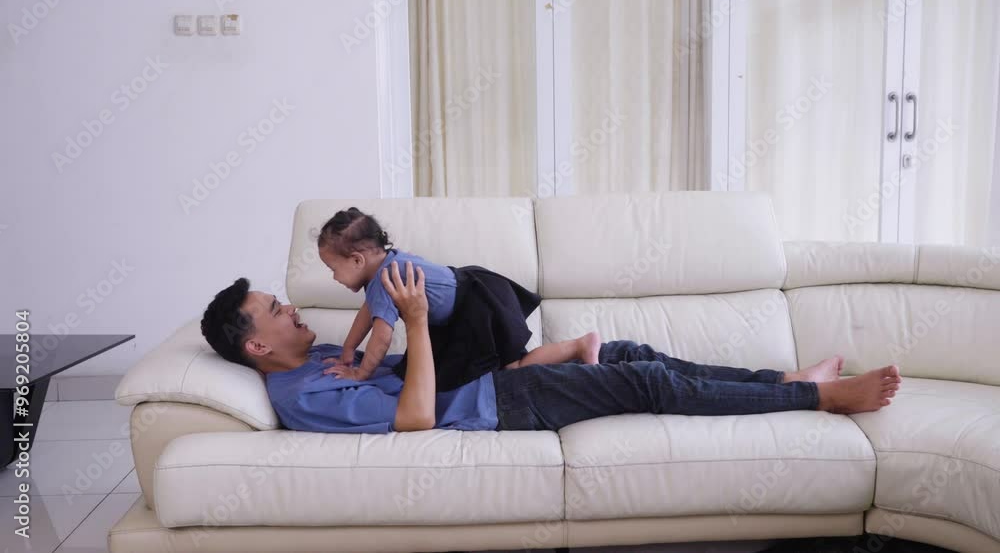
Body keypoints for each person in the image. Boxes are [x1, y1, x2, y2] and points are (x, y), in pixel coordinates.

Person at [200, 261, 902, 434]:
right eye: (275, 310)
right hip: (499, 408)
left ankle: (781, 376)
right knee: (648, 382)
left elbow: (418, 375)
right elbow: (413, 418)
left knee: (625, 349)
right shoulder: (301, 393)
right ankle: (819, 396)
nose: (292, 308)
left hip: (491, 381)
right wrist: (413, 321)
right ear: (257, 344)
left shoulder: (324, 359)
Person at [314, 207, 600, 391]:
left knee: (511, 369)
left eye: (333, 269)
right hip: (474, 290)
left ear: (356, 260)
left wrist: (361, 374)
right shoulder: (387, 266)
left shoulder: (385, 280)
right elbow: (368, 313)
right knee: (502, 367)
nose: (333, 278)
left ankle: (578, 346)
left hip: (477, 306)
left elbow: (382, 337)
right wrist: (348, 350)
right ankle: (577, 348)